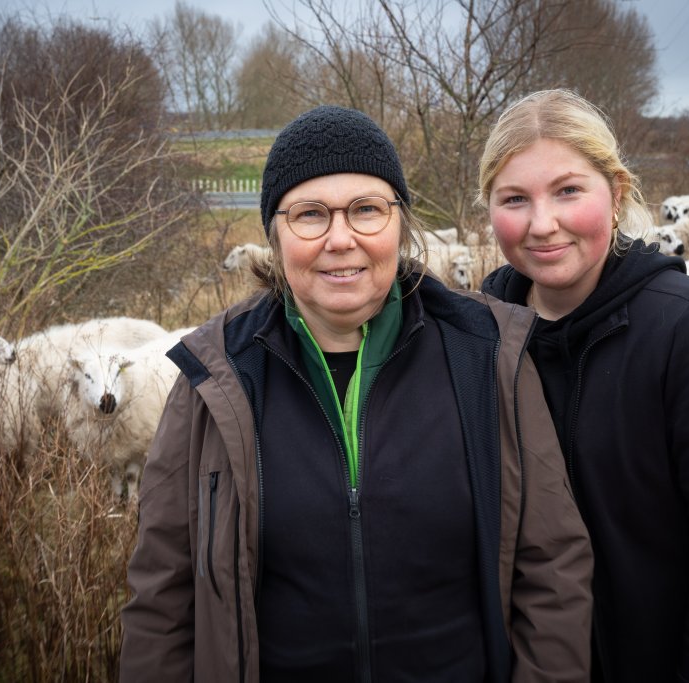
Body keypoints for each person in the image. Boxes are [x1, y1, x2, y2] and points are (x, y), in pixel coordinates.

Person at [119, 104, 593, 682]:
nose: (340, 239)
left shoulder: (489, 356)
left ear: (400, 222)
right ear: (274, 234)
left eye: (367, 209)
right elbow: (162, 601)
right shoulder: (214, 377)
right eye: (310, 214)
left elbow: (553, 573)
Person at [477, 88, 689, 683]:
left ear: (615, 195)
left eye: (568, 190)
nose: (543, 224)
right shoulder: (481, 333)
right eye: (515, 199)